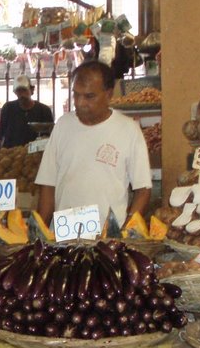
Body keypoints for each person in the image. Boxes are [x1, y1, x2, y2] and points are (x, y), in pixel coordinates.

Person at [36, 61, 152, 226]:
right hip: (63, 237)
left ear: (109, 94)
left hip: (108, 240)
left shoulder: (129, 130)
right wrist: (39, 232)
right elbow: (48, 185)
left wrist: (126, 232)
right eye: (76, 94)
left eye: (89, 96)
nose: (80, 102)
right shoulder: (63, 126)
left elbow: (143, 190)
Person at [0, 74, 54, 149]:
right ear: (15, 93)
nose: (22, 94)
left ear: (32, 90)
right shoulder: (7, 109)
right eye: (18, 91)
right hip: (11, 155)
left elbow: (51, 138)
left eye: (24, 90)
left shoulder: (44, 110)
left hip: (34, 156)